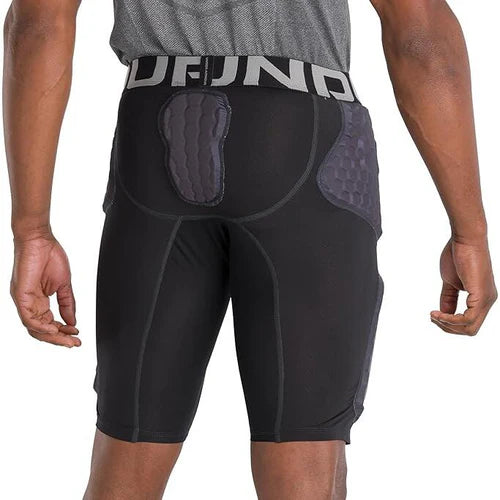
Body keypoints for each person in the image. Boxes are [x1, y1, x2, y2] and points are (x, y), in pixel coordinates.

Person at [3, 0, 497, 498]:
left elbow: (37, 26)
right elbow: (421, 37)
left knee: (127, 451)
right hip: (303, 142)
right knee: (305, 460)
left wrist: (32, 229)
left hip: (154, 141)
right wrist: (469, 231)